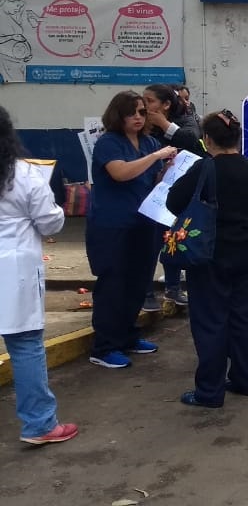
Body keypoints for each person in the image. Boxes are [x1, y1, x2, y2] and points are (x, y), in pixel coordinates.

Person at [165, 110, 248, 408]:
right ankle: (246, 380)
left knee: (210, 321)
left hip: (210, 253)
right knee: (243, 317)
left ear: (207, 140)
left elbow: (173, 202)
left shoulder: (205, 169)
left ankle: (209, 391)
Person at [0, 105, 78, 444]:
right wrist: (58, 209)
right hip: (14, 270)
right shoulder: (24, 174)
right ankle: (40, 424)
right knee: (25, 345)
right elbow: (50, 222)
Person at [86, 91, 178, 369]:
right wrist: (156, 156)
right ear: (118, 115)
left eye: (141, 112)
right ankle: (104, 346)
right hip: (112, 226)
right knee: (113, 284)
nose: (138, 117)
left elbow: (151, 178)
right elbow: (121, 173)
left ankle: (127, 335)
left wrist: (167, 168)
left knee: (138, 283)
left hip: (144, 222)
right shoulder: (108, 143)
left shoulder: (149, 142)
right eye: (131, 113)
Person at [142, 83, 204, 311]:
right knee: (150, 245)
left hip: (174, 193)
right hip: (146, 192)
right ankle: (146, 291)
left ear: (166, 105)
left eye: (150, 101)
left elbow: (195, 144)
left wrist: (163, 125)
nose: (144, 106)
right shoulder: (141, 127)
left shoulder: (185, 122)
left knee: (172, 239)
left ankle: (173, 287)